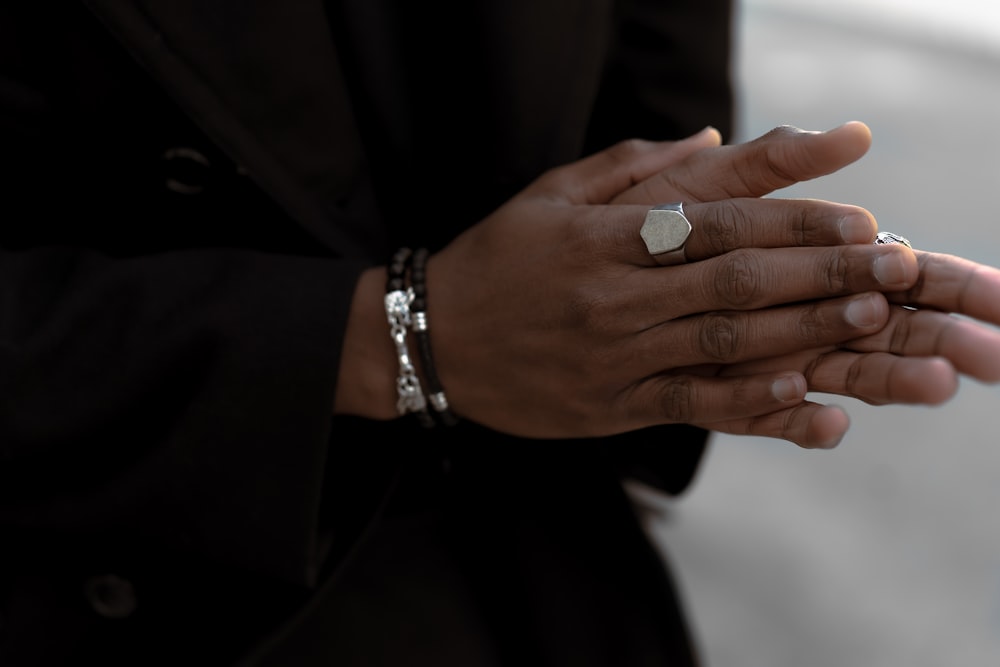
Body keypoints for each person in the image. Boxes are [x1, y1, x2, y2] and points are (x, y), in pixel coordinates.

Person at [3, 1, 1000, 665]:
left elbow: (656, 105)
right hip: (125, 560)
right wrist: (382, 338)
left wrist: (694, 300)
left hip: (530, 568)